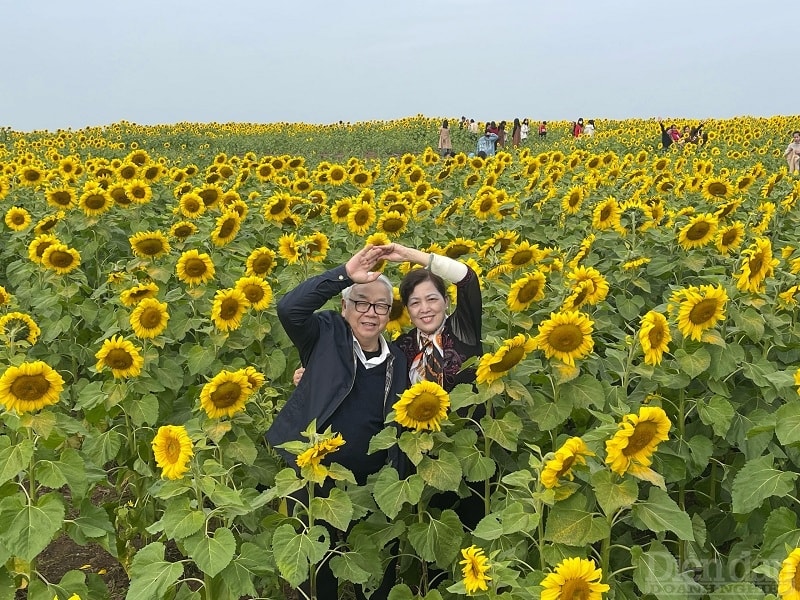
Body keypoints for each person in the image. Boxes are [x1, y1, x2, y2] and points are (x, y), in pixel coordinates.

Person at [268, 244, 408, 600]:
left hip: (370, 482)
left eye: (381, 306)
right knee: (315, 568)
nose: (371, 312)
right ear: (344, 308)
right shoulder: (324, 335)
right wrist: (345, 273)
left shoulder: (399, 360)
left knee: (371, 566)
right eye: (361, 302)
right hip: (315, 474)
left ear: (389, 314)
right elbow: (289, 308)